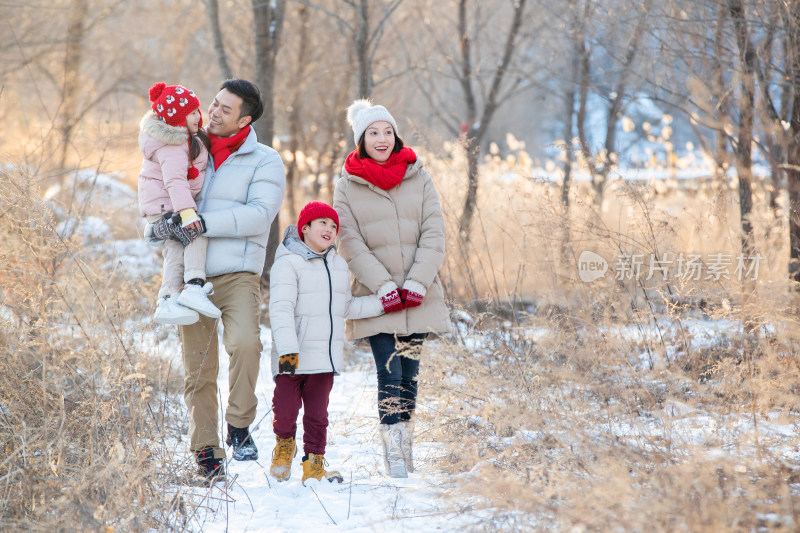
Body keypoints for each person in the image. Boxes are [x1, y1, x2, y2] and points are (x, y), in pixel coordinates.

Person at [147, 79, 286, 482]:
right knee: (199, 369)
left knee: (246, 343)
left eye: (226, 109)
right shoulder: (187, 146)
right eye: (214, 103)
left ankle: (239, 424)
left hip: (239, 274)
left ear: (245, 118)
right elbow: (159, 187)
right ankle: (207, 451)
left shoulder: (265, 160)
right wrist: (157, 225)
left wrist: (203, 221)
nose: (215, 112)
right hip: (193, 279)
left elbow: (260, 214)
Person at [333, 100, 451, 478]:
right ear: (361, 140)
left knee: (411, 374)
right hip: (377, 298)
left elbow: (434, 231)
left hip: (419, 293)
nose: (381, 139)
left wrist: (417, 281)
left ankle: (407, 442)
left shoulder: (418, 175)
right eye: (373, 133)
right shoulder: (347, 185)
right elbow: (348, 241)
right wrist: (384, 287)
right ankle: (393, 451)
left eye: (387, 131)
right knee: (390, 372)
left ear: (395, 135)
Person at [268, 201, 384, 485]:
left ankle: (314, 464)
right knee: (284, 411)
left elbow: (346, 308)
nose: (330, 229)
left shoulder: (338, 265)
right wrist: (287, 349)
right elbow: (281, 308)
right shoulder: (287, 263)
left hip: (325, 357)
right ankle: (284, 446)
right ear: (304, 228)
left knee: (318, 415)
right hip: (291, 356)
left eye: (334, 226)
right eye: (323, 223)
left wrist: (383, 303)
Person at [138, 82, 221, 326]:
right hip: (169, 207)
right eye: (192, 113)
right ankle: (194, 287)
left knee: (175, 247)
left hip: (160, 207)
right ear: (177, 119)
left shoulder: (182, 137)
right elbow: (175, 181)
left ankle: (168, 298)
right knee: (196, 233)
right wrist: (188, 214)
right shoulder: (173, 145)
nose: (199, 116)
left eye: (197, 110)